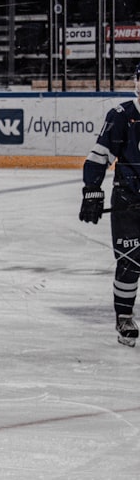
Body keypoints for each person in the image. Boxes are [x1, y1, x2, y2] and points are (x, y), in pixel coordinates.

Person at [79, 62, 140, 347]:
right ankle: (124, 316)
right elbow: (99, 154)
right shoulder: (121, 116)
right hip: (128, 201)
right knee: (130, 263)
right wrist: (92, 190)